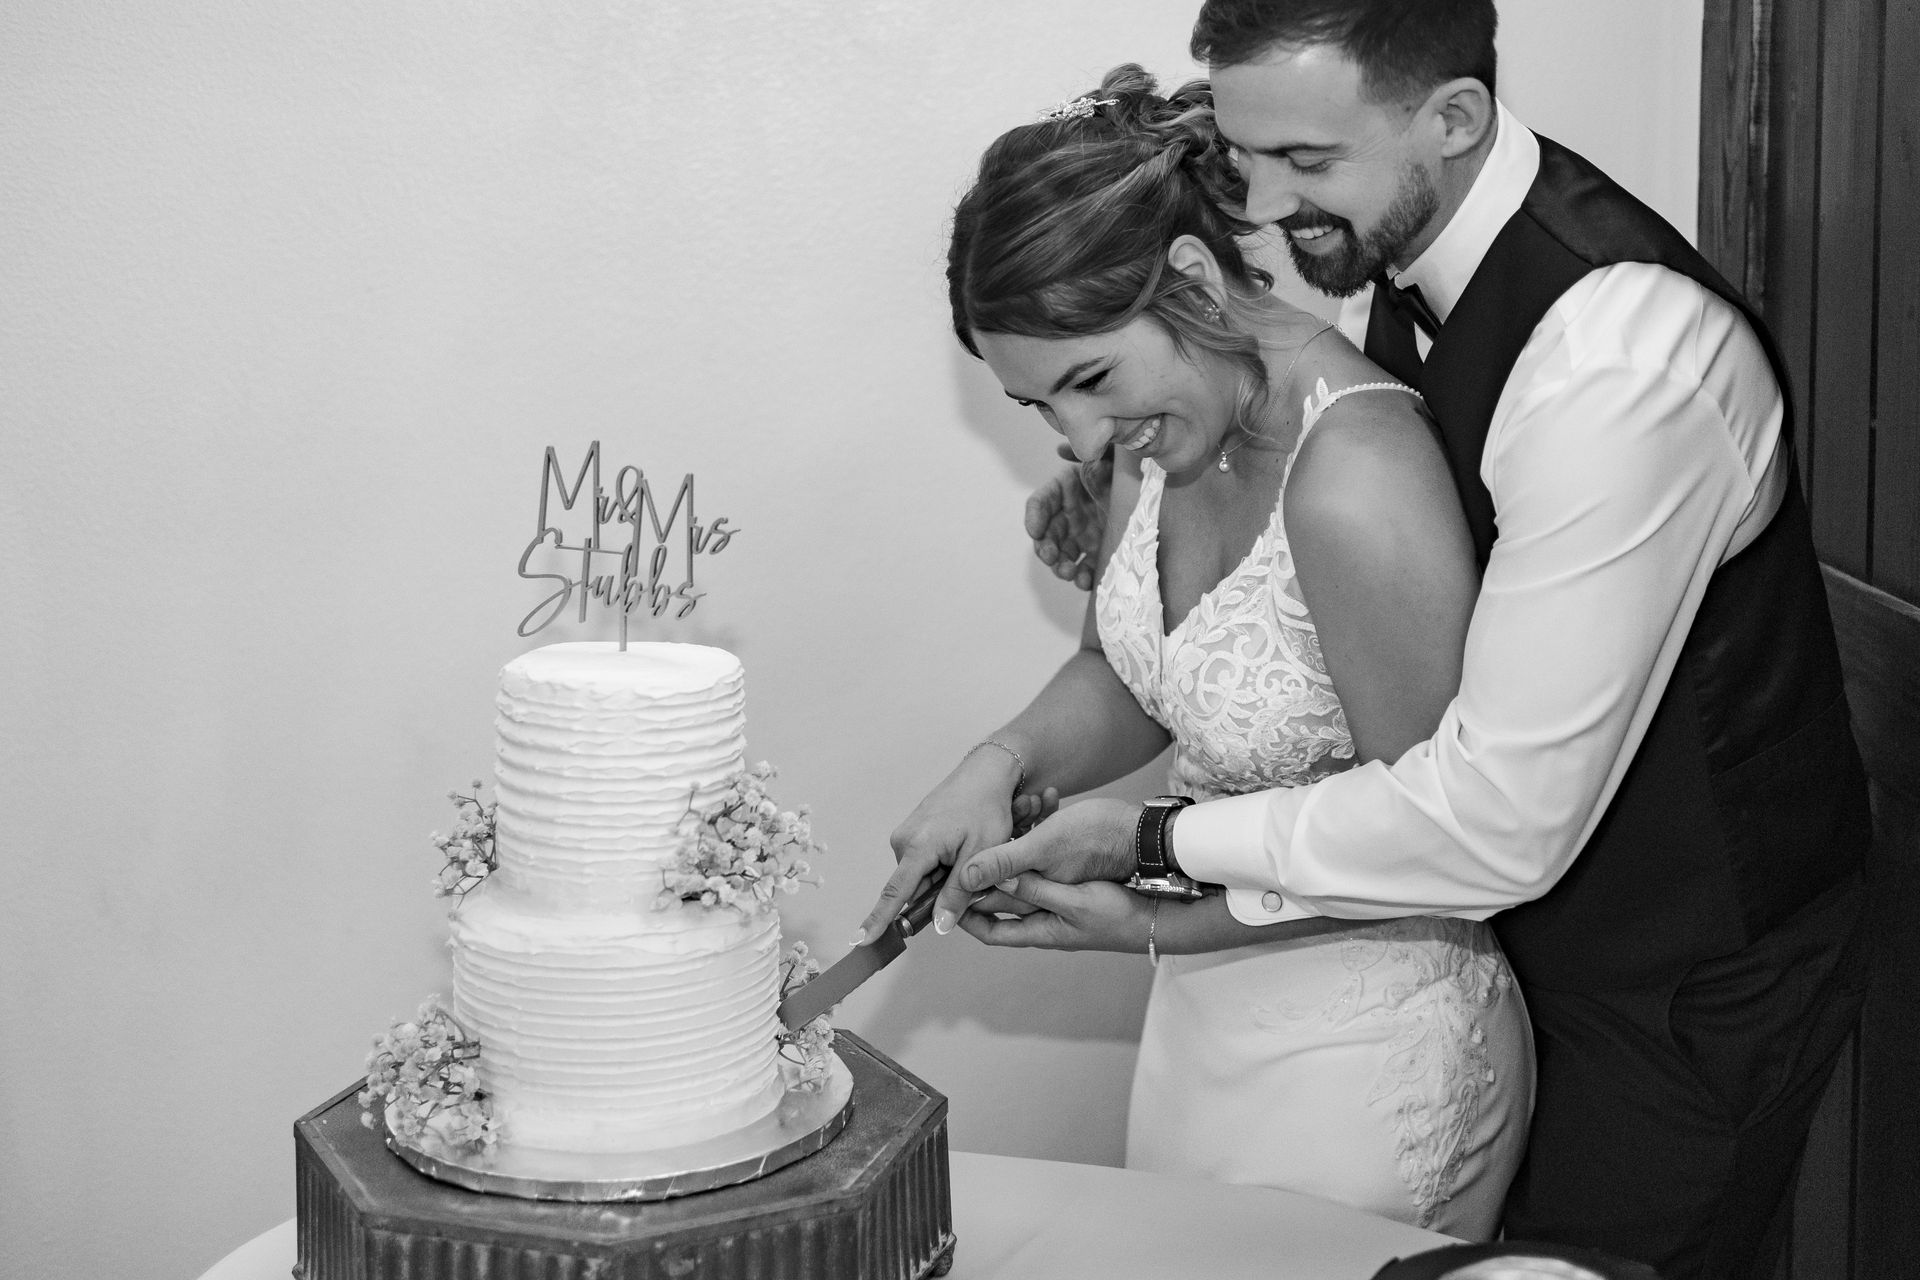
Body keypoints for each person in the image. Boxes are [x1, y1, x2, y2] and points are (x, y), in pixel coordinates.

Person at [938, 4, 1872, 1279]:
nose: (1259, 199)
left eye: (1305, 162)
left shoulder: (1623, 361)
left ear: (1454, 119)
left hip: (1683, 979)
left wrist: (1154, 845)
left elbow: (1493, 813)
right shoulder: (1373, 266)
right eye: (1243, 149)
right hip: (1460, 932)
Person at [859, 64, 1533, 1238]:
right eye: (1037, 408)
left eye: (1088, 379)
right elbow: (1134, 672)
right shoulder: (1159, 436)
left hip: (1364, 1059)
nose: (1077, 436)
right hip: (1202, 1025)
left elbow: (1427, 847)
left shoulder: (1356, 479)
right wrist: (1002, 760)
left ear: (1188, 279)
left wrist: (1149, 916)